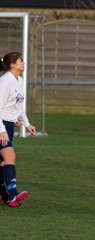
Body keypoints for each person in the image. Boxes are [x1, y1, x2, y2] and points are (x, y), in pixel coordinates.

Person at [0, 52, 36, 208]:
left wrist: (26, 123)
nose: (23, 62)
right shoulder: (5, 81)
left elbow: (19, 106)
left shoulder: (19, 80)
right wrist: (1, 129)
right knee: (10, 156)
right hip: (0, 126)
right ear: (12, 65)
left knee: (2, 162)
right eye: (20, 60)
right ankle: (13, 194)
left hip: (7, 125)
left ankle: (4, 195)